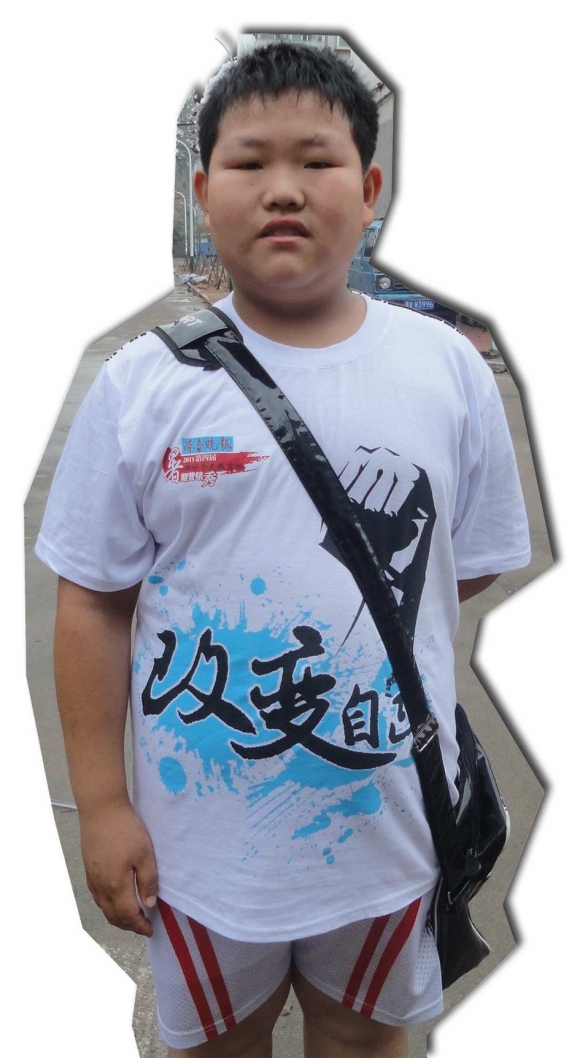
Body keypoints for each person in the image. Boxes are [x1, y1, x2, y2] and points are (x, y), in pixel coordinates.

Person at [35, 41, 531, 1058]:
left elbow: (463, 563)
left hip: (390, 828)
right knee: (221, 1044)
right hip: (201, 847)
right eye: (251, 161)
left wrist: (369, 596)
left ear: (372, 188)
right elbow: (93, 600)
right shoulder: (143, 384)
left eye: (317, 159)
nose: (284, 189)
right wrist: (104, 804)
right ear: (203, 189)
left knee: (362, 1040)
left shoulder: (446, 368)